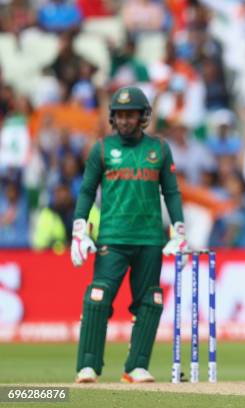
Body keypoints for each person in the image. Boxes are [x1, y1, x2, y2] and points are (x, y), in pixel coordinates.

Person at [71, 86, 188, 383]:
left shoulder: (159, 149)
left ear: (142, 117)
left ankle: (135, 366)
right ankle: (88, 365)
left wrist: (179, 228)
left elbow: (171, 192)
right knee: (97, 298)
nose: (124, 121)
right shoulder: (101, 149)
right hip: (113, 237)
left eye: (130, 115)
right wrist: (79, 227)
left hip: (149, 238)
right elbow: (86, 191)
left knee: (150, 301)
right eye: (120, 115)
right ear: (113, 118)